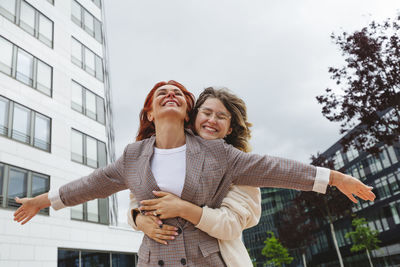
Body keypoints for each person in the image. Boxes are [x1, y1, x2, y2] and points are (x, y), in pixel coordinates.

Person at [14, 80, 375, 267]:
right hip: (154, 260)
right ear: (150, 112)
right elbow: (92, 185)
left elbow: (273, 167)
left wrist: (333, 177)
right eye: (161, 93)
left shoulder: (219, 153)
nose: (169, 94)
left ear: (186, 111)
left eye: (177, 93)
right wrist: (43, 200)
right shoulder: (133, 156)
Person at [127, 87, 261, 267]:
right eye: (206, 113)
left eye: (221, 117)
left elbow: (231, 224)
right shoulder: (164, 153)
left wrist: (182, 208)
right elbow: (136, 198)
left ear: (230, 129)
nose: (212, 120)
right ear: (195, 117)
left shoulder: (240, 166)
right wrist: (138, 218)